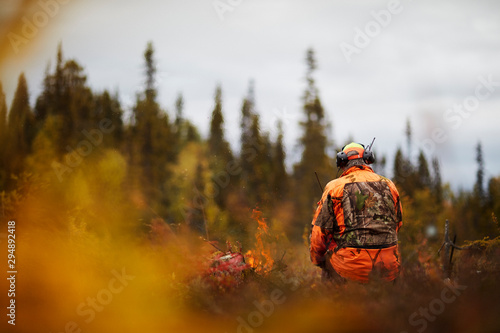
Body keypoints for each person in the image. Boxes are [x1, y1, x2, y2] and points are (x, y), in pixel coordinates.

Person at [309, 141, 403, 283]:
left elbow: (319, 235)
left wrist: (319, 260)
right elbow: (397, 224)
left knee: (328, 267)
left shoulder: (334, 188)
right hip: (388, 270)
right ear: (367, 159)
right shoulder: (389, 185)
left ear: (342, 162)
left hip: (348, 271)